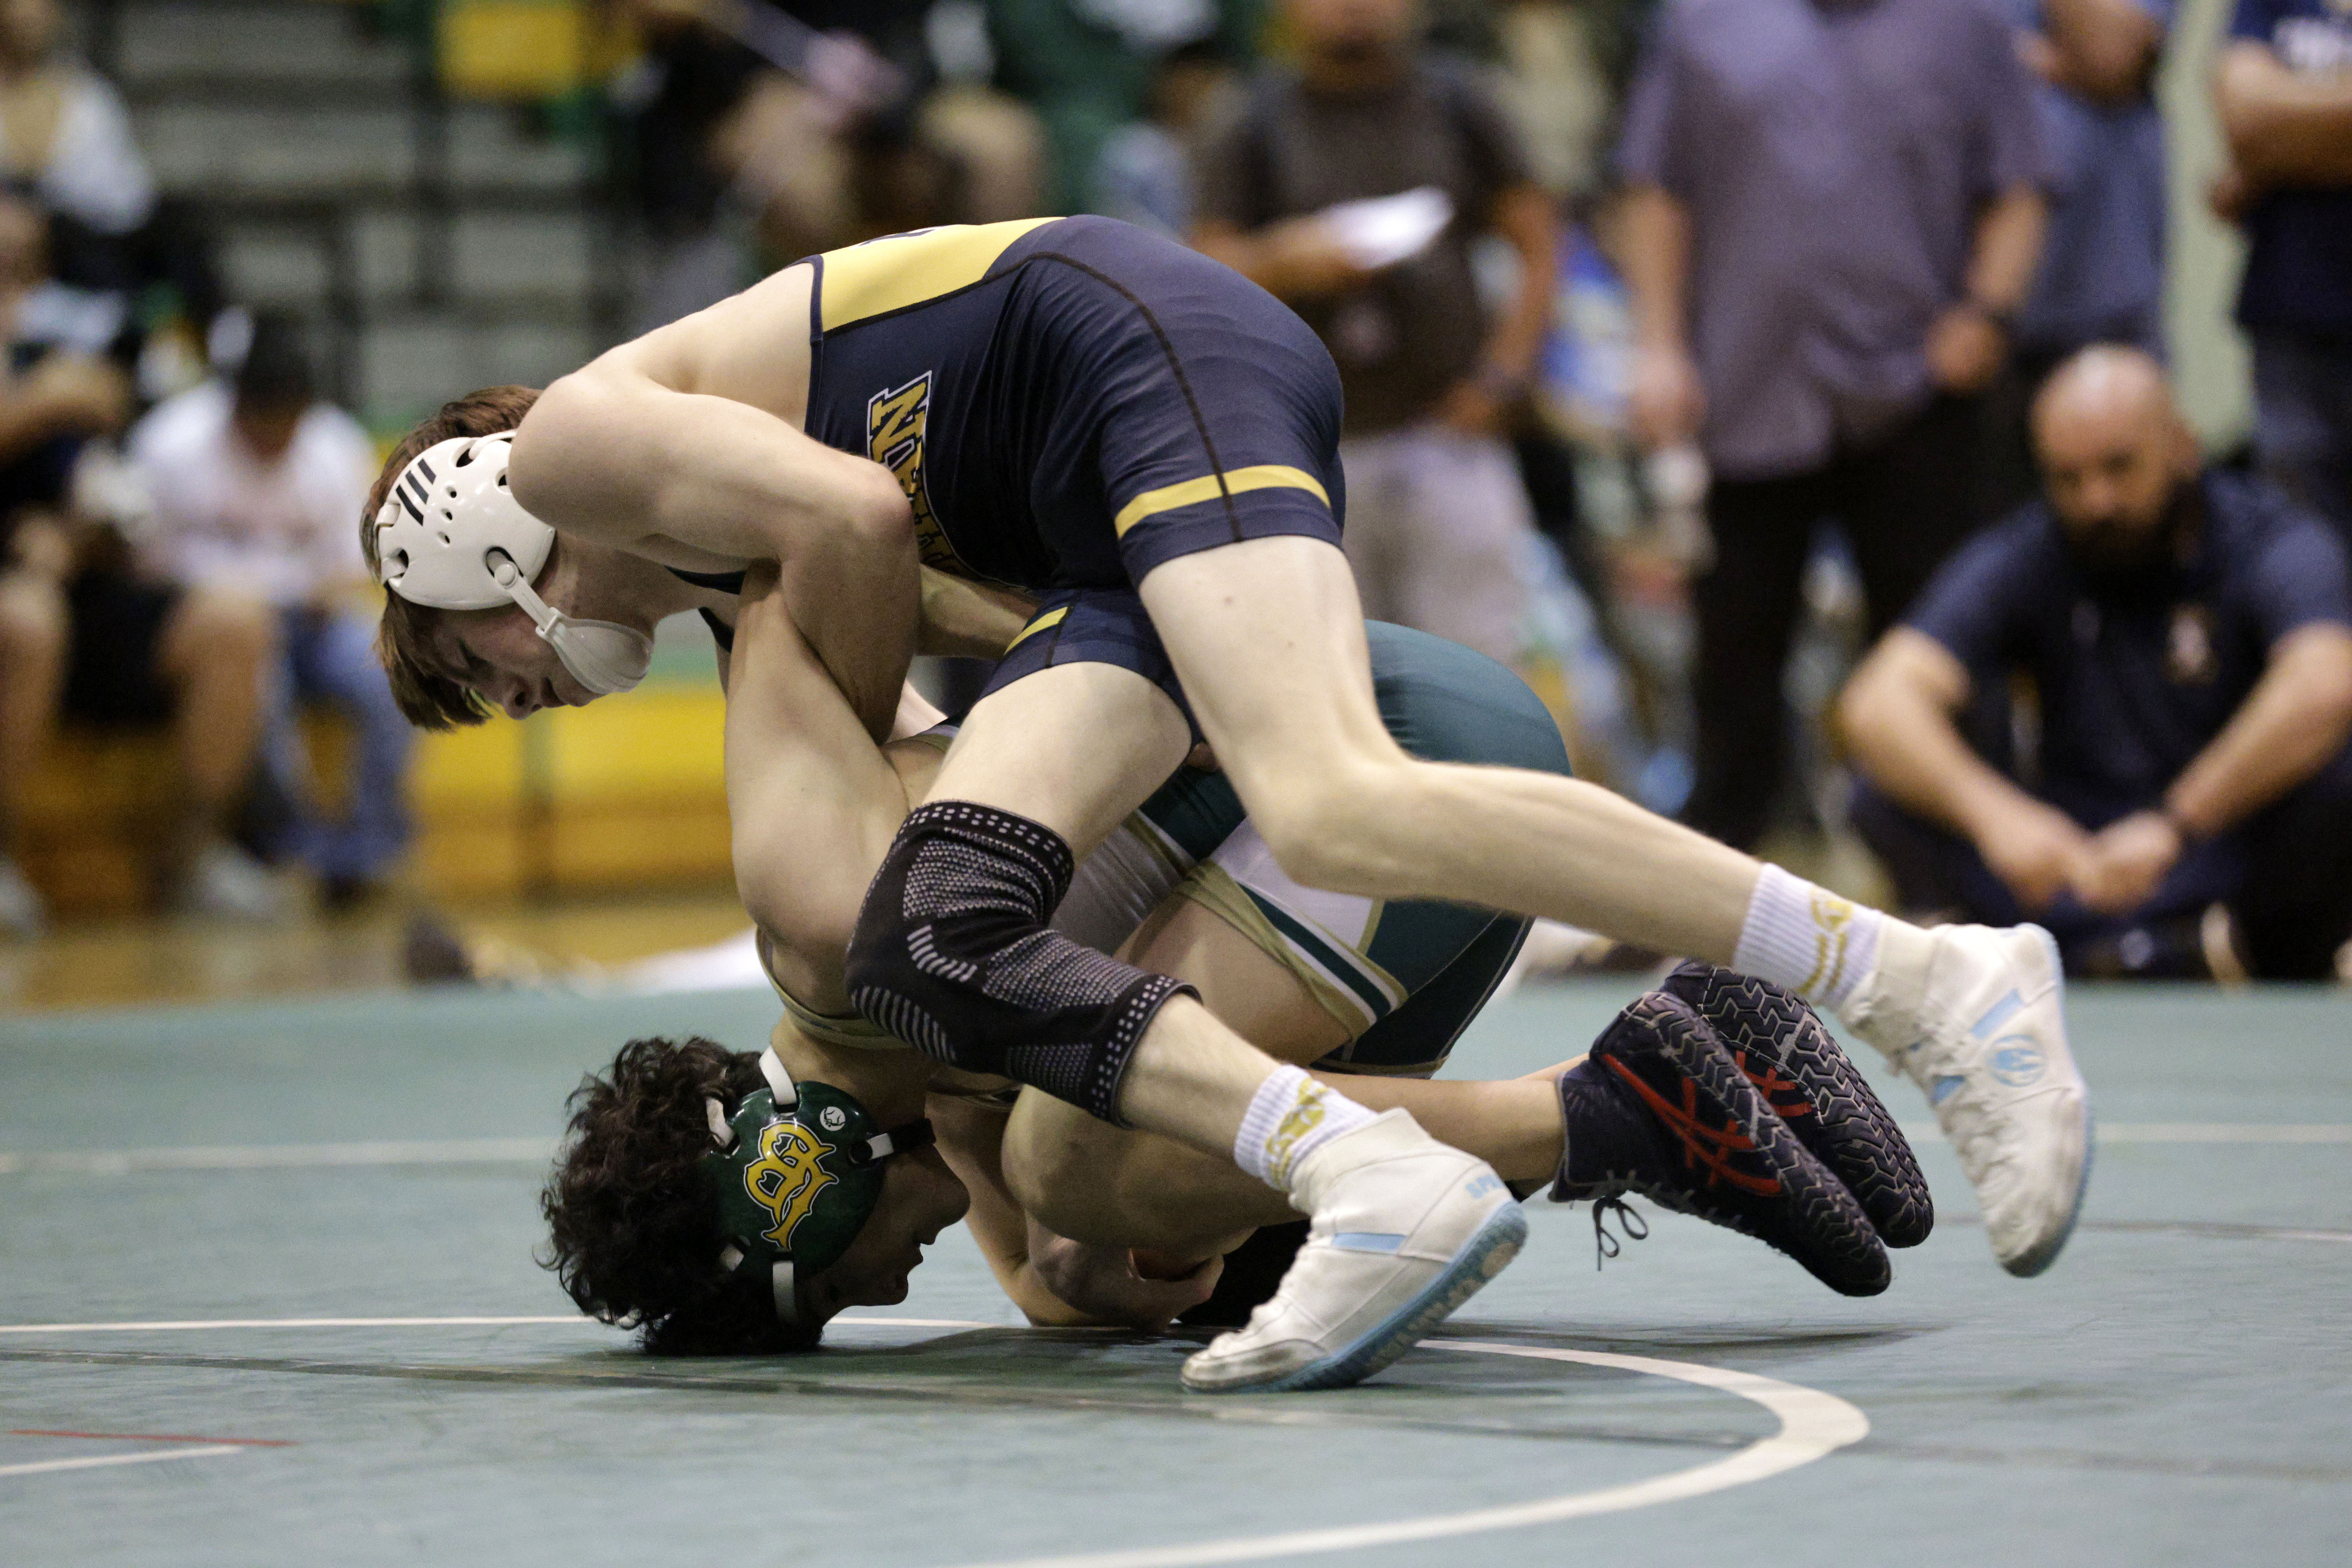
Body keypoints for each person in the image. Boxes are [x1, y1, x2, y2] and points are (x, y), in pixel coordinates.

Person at [366, 215, 2089, 1395]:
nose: (516, 699)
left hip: (1110, 357)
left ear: (462, 543)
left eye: (479, 667)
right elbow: (1056, 1281)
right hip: (1082, 498)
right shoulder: (732, 594)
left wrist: (964, 731)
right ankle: (1438, 1154)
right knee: (965, 949)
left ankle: (1923, 979)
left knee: (1324, 798)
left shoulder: (574, 456)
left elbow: (864, 530)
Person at [534, 547, 1924, 1352]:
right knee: (1149, 1237)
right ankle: (1687, 1073)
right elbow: (1065, 1301)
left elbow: (796, 561)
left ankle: (1624, 1110)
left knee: (1087, 1159)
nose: (884, 1296)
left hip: (1394, 759)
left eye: (833, 1291)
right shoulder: (927, 1081)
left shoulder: (845, 940)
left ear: (798, 1189)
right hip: (1365, 827)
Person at [1614, 0, 2051, 854]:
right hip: (1749, 388)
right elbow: (1656, 189)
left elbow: (2021, 185)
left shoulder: (1965, 22)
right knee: (1733, 657)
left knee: (1940, 649)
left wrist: (1989, 313)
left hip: (1916, 393)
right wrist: (1659, 345)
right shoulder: (1701, 23)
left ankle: (1958, 885)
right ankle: (1714, 889)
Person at [1839, 347, 2352, 981]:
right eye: (2069, 478)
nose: (2097, 500)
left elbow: (2326, 681)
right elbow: (1879, 701)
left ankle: (2230, 950)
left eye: (2119, 468)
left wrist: (2177, 823)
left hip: (2218, 844)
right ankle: (2069, 956)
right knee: (1880, 789)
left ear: (2182, 446)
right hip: (2064, 866)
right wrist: (1998, 816)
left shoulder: (2268, 537)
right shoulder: (2033, 548)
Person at [1190, 0, 1582, 744]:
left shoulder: (1458, 102)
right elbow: (1198, 271)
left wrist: (1504, 379)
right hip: (1310, 453)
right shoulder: (1250, 119)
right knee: (1339, 687)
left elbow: (1539, 241)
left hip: (1451, 431)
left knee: (1485, 672)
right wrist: (1285, 261)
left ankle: (1490, 846)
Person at [130, 313, 410, 905]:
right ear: (232, 406)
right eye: (260, 431)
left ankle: (365, 853)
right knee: (262, 689)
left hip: (312, 620)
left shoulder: (335, 447)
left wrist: (319, 594)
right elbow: (140, 569)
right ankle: (295, 851)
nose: (274, 444)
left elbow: (353, 567)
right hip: (213, 623)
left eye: (287, 429)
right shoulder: (170, 444)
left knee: (393, 675)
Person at [2212, 0, 2352, 547]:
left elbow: (2266, 131)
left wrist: (2286, 149)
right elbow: (2246, 117)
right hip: (2292, 325)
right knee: (2301, 554)